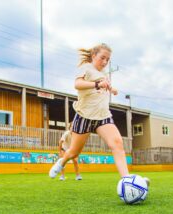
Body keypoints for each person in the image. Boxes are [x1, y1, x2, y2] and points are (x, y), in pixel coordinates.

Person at [49, 43, 148, 185]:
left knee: (117, 143)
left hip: (103, 116)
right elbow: (77, 84)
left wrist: (112, 89)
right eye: (102, 58)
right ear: (94, 56)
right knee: (74, 152)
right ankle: (62, 162)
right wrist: (96, 84)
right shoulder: (86, 68)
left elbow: (103, 86)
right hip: (84, 116)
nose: (105, 62)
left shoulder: (104, 74)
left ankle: (126, 180)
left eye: (108, 59)